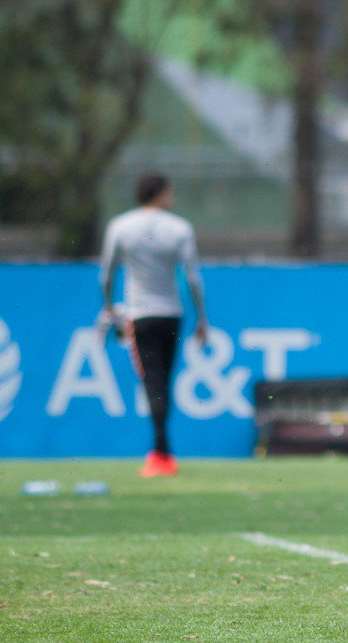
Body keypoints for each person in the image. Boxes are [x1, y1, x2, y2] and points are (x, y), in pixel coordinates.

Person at [100, 173, 208, 477]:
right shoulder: (179, 227)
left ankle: (161, 453)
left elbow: (106, 273)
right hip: (171, 313)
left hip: (140, 315)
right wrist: (202, 317)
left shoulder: (121, 226)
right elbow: (192, 278)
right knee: (164, 380)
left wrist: (109, 308)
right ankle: (162, 450)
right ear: (161, 194)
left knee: (153, 381)